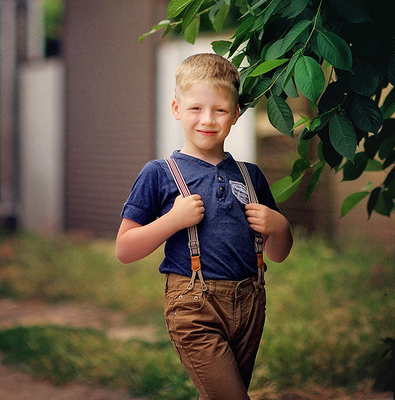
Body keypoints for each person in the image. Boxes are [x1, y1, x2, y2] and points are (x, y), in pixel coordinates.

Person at [116, 52, 293, 400]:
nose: (208, 120)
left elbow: (278, 253)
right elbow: (124, 249)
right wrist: (172, 221)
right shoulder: (160, 173)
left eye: (220, 110)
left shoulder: (249, 175)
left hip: (250, 303)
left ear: (236, 115)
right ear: (176, 108)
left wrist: (281, 227)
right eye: (196, 108)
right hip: (193, 306)